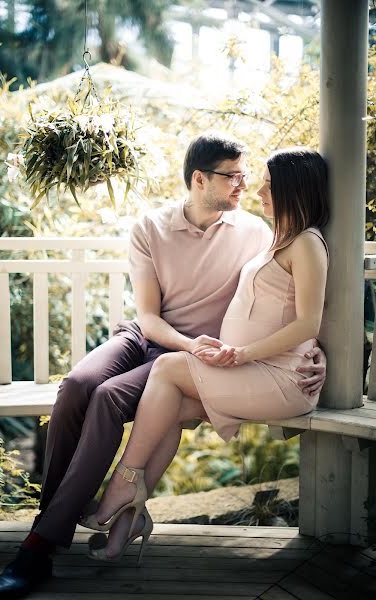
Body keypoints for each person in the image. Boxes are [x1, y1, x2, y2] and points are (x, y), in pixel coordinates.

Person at [0, 135, 326, 599]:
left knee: (107, 399)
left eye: (248, 177)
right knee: (78, 386)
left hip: (192, 360)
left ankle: (39, 546)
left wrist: (314, 350)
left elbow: (290, 298)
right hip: (153, 338)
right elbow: (147, 317)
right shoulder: (151, 226)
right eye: (234, 176)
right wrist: (188, 344)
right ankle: (54, 520)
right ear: (199, 179)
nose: (245, 186)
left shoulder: (257, 231)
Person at [83, 146, 329, 564]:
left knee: (166, 368)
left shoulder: (306, 243)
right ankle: (127, 521)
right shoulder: (277, 238)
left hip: (281, 376)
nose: (257, 191)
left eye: (267, 185)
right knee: (168, 407)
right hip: (260, 369)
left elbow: (309, 322)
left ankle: (122, 487)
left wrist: (248, 352)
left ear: (293, 189)